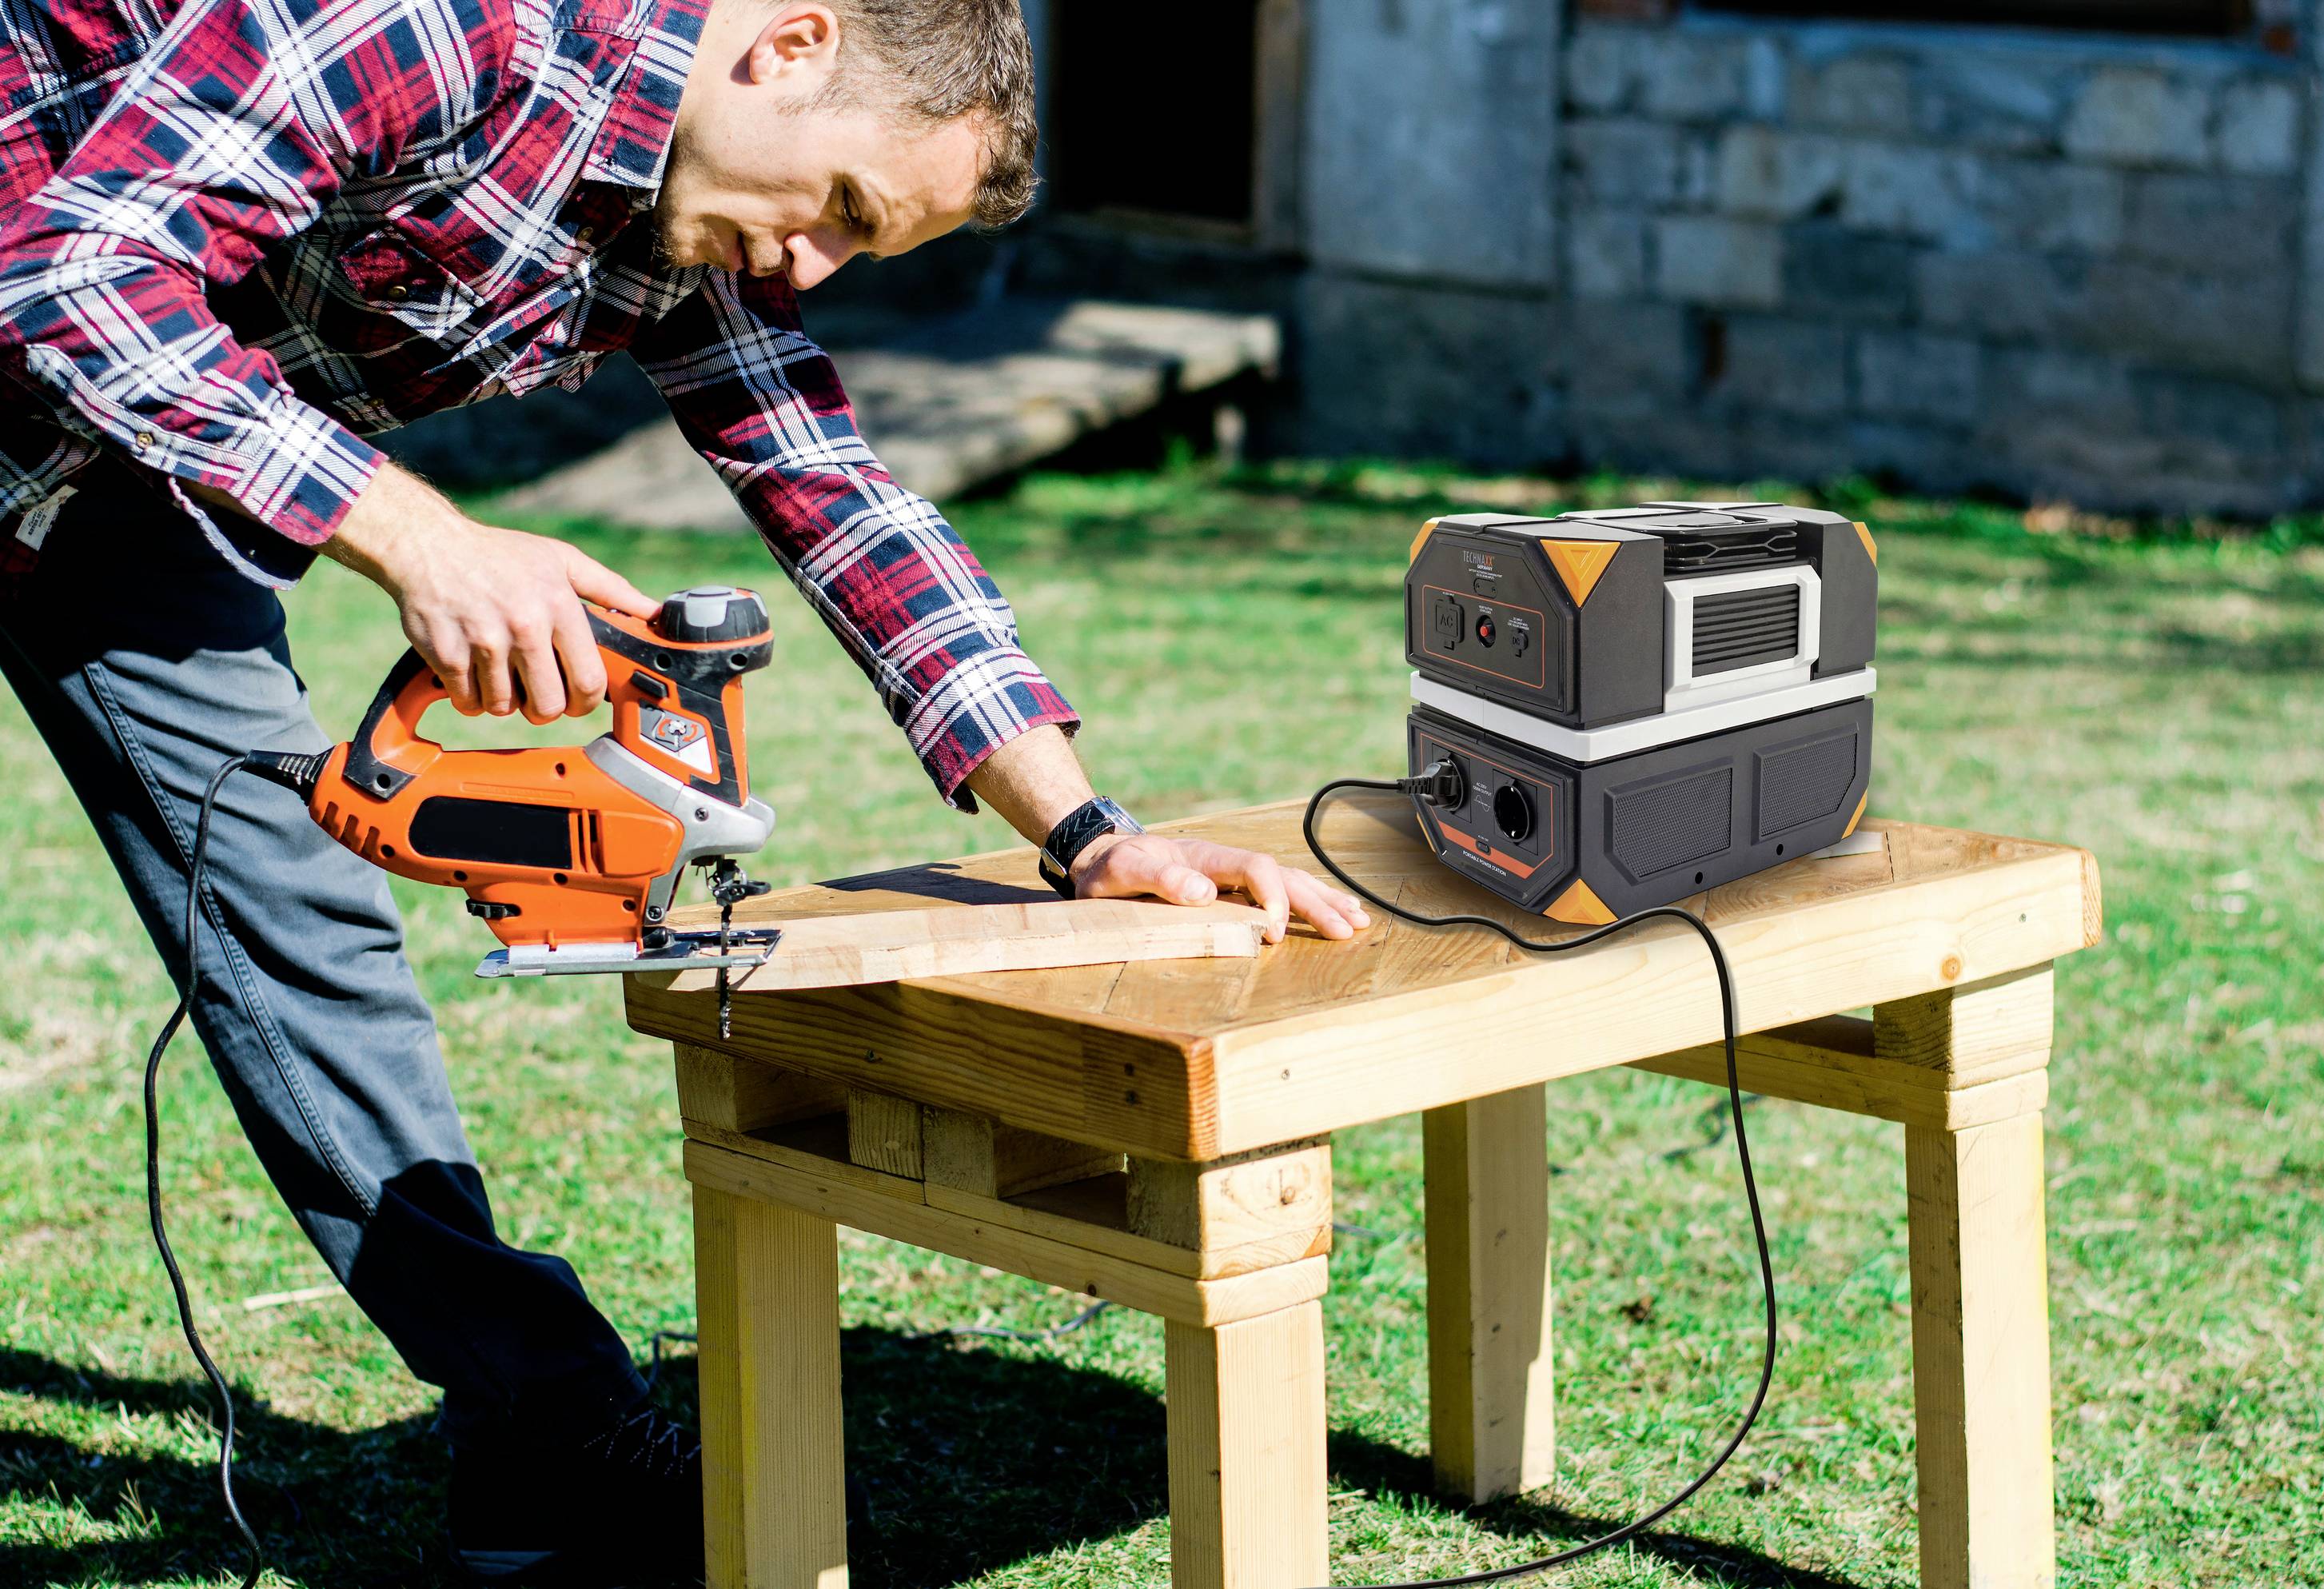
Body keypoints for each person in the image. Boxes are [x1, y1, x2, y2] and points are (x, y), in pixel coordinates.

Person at [0, 0, 1369, 1575]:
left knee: (303, 931)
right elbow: (72, 269)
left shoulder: (688, 215)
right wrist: (425, 535)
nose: (808, 269)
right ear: (786, 45)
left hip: (114, 485)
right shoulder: (447, 25)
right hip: (64, 357)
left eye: (865, 251)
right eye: (842, 211)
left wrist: (1087, 833)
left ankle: (545, 1432)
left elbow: (834, 492)